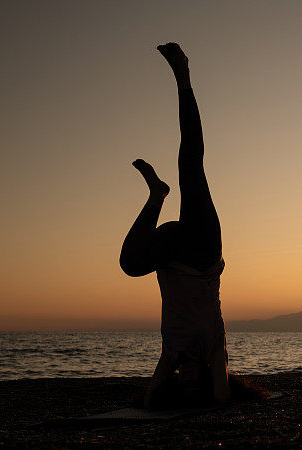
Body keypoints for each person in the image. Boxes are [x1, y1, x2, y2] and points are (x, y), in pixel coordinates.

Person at [120, 42, 231, 407]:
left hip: (171, 254)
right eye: (194, 384)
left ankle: (156, 195)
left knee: (129, 265)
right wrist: (214, 400)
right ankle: (183, 76)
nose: (189, 379)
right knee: (191, 163)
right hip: (202, 252)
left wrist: (154, 398)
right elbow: (220, 395)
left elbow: (152, 398)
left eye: (183, 384)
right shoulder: (215, 352)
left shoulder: (171, 354)